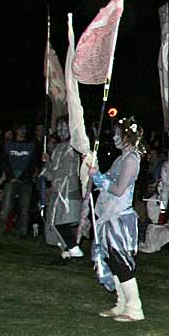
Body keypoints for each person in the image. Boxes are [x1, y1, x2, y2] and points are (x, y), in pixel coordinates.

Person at [89, 117, 144, 322]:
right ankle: (121, 303)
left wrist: (98, 178)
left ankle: (135, 306)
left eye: (117, 134)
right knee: (113, 260)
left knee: (121, 261)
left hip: (119, 217)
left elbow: (119, 189)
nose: (114, 137)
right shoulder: (120, 159)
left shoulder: (131, 159)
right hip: (109, 214)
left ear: (127, 136)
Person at [42, 117, 85, 259]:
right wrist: (47, 162)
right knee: (56, 221)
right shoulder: (59, 148)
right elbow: (54, 167)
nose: (61, 132)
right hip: (58, 190)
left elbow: (65, 171)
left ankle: (73, 248)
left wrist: (50, 175)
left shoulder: (73, 148)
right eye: (59, 129)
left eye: (65, 129)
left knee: (62, 221)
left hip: (68, 191)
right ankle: (67, 250)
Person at [0, 124, 38, 235]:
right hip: (11, 180)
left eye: (24, 129)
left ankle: (22, 231)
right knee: (6, 205)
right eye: (20, 129)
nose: (22, 131)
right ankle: (0, 229)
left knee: (24, 207)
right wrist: (11, 177)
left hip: (26, 181)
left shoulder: (31, 145)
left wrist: (24, 177)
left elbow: (33, 163)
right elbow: (4, 162)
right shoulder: (8, 145)